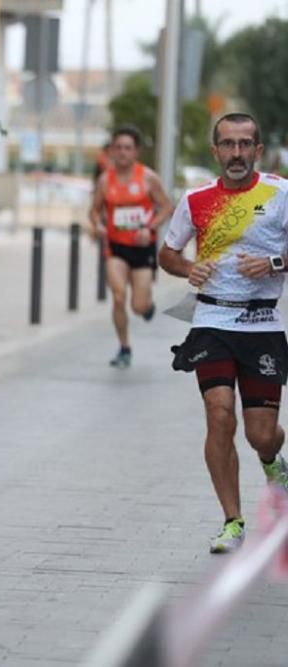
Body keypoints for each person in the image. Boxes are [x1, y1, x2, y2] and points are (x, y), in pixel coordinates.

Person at [161, 112, 288, 554]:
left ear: (258, 149)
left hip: (263, 325)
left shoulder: (280, 193)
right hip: (212, 321)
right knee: (219, 414)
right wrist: (188, 268)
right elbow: (167, 253)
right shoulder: (196, 200)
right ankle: (233, 521)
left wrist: (274, 263)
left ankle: (273, 462)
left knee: (261, 433)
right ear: (215, 151)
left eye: (244, 144)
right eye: (228, 145)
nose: (236, 153)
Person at [89, 125, 173, 368]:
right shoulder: (105, 180)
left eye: (128, 148)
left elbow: (167, 206)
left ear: (136, 151)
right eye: (118, 148)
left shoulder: (148, 178)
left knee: (137, 306)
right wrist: (98, 225)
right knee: (117, 297)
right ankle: (124, 347)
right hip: (116, 247)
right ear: (112, 151)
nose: (123, 152)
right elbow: (94, 211)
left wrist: (150, 228)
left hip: (142, 248)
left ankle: (146, 307)